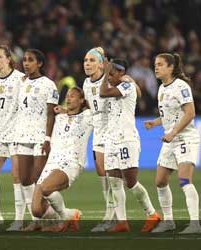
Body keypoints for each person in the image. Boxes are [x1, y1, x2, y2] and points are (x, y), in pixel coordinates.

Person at [100, 58, 161, 232]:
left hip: (127, 139)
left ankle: (152, 214)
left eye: (112, 73)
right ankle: (122, 222)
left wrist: (105, 73)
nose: (109, 77)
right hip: (111, 139)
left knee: (130, 181)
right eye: (109, 73)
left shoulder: (126, 86)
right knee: (114, 180)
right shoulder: (121, 85)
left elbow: (103, 92)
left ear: (121, 73)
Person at [145, 53, 201, 234]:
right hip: (170, 139)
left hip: (185, 138)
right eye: (155, 64)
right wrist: (155, 122)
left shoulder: (181, 86)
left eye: (160, 64)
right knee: (160, 181)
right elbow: (169, 114)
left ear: (171, 67)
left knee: (184, 179)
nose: (156, 67)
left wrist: (173, 132)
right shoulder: (162, 88)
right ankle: (169, 221)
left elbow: (190, 113)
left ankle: (194, 223)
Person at [0, 45, 30, 231]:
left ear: (9, 59)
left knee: (17, 176)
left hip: (18, 133)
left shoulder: (21, 79)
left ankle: (18, 220)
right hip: (0, 133)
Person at [31, 87, 92, 232]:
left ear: (81, 100)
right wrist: (64, 111)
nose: (68, 98)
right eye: (67, 96)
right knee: (36, 210)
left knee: (46, 188)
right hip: (52, 162)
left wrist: (69, 108)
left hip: (70, 163)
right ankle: (71, 215)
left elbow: (95, 108)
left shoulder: (87, 117)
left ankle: (64, 219)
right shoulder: (59, 118)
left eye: (73, 96)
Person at [13, 49, 59, 231]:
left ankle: (57, 215)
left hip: (41, 137)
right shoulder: (20, 83)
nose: (26, 63)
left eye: (30, 60)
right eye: (24, 60)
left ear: (39, 63)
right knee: (24, 180)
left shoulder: (49, 85)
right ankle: (42, 218)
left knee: (38, 180)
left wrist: (48, 138)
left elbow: (51, 114)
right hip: (22, 135)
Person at [81, 47, 116, 232]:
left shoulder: (110, 79)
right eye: (86, 60)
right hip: (98, 131)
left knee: (118, 176)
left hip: (113, 130)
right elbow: (88, 105)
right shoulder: (86, 83)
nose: (87, 63)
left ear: (101, 64)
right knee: (101, 172)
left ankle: (115, 214)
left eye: (92, 60)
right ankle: (111, 213)